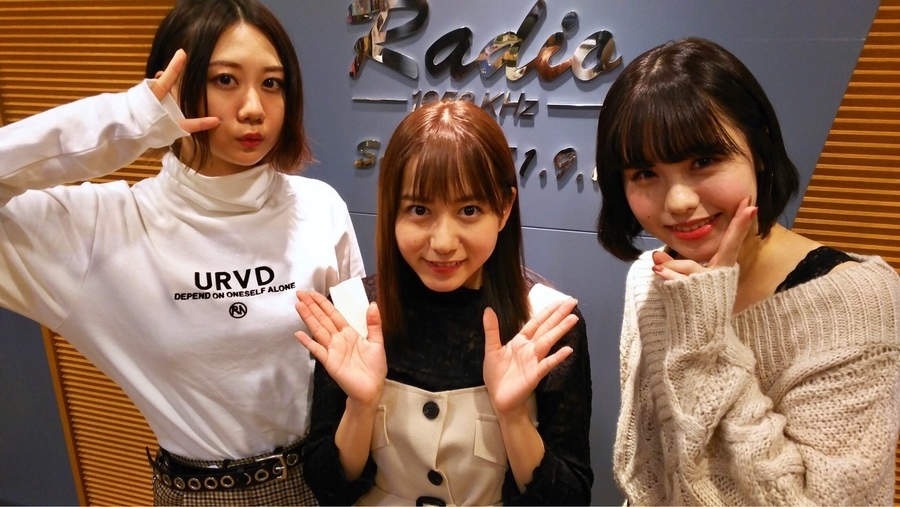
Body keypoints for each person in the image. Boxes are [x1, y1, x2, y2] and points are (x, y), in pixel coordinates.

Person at [0, 0, 364, 504]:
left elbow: (357, 365)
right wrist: (127, 120)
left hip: (323, 482)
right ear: (170, 87)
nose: (253, 108)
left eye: (272, 83)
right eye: (225, 80)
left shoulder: (321, 207)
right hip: (196, 494)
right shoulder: (98, 229)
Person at [594, 36, 900, 506]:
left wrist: (706, 338)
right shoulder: (649, 280)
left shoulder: (857, 302)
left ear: (759, 148)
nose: (679, 201)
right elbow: (656, 472)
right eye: (644, 173)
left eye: (704, 160)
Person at [294, 99, 594, 506]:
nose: (443, 242)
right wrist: (361, 407)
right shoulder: (350, 313)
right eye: (419, 209)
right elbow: (326, 486)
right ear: (392, 208)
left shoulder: (547, 324)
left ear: (503, 208)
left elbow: (569, 498)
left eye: (469, 210)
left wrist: (513, 417)